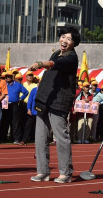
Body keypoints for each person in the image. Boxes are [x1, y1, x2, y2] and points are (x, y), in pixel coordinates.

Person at [29, 27, 80, 183]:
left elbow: (54, 64)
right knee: (40, 137)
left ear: (74, 43)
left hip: (59, 101)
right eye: (63, 36)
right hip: (44, 99)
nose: (64, 40)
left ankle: (66, 173)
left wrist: (40, 63)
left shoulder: (71, 57)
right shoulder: (56, 52)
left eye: (69, 39)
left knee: (61, 138)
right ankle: (42, 172)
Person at [4, 71, 28, 144]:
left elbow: (26, 92)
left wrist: (21, 99)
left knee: (15, 121)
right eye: (6, 76)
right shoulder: (4, 84)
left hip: (15, 104)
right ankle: (3, 138)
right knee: (5, 121)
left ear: (12, 77)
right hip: (5, 103)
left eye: (9, 76)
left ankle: (16, 138)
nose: (7, 78)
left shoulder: (18, 85)